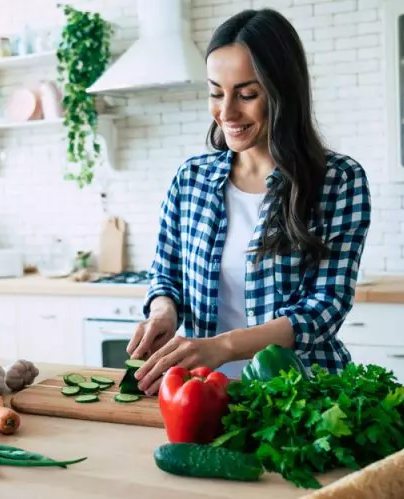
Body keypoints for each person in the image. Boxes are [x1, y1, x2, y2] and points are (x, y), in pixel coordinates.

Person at [126, 8, 372, 395]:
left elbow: (325, 308)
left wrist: (222, 348)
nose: (226, 113)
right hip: (202, 394)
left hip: (302, 395)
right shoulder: (191, 179)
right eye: (215, 92)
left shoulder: (338, 181)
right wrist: (163, 311)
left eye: (246, 94)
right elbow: (165, 274)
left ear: (282, 91)